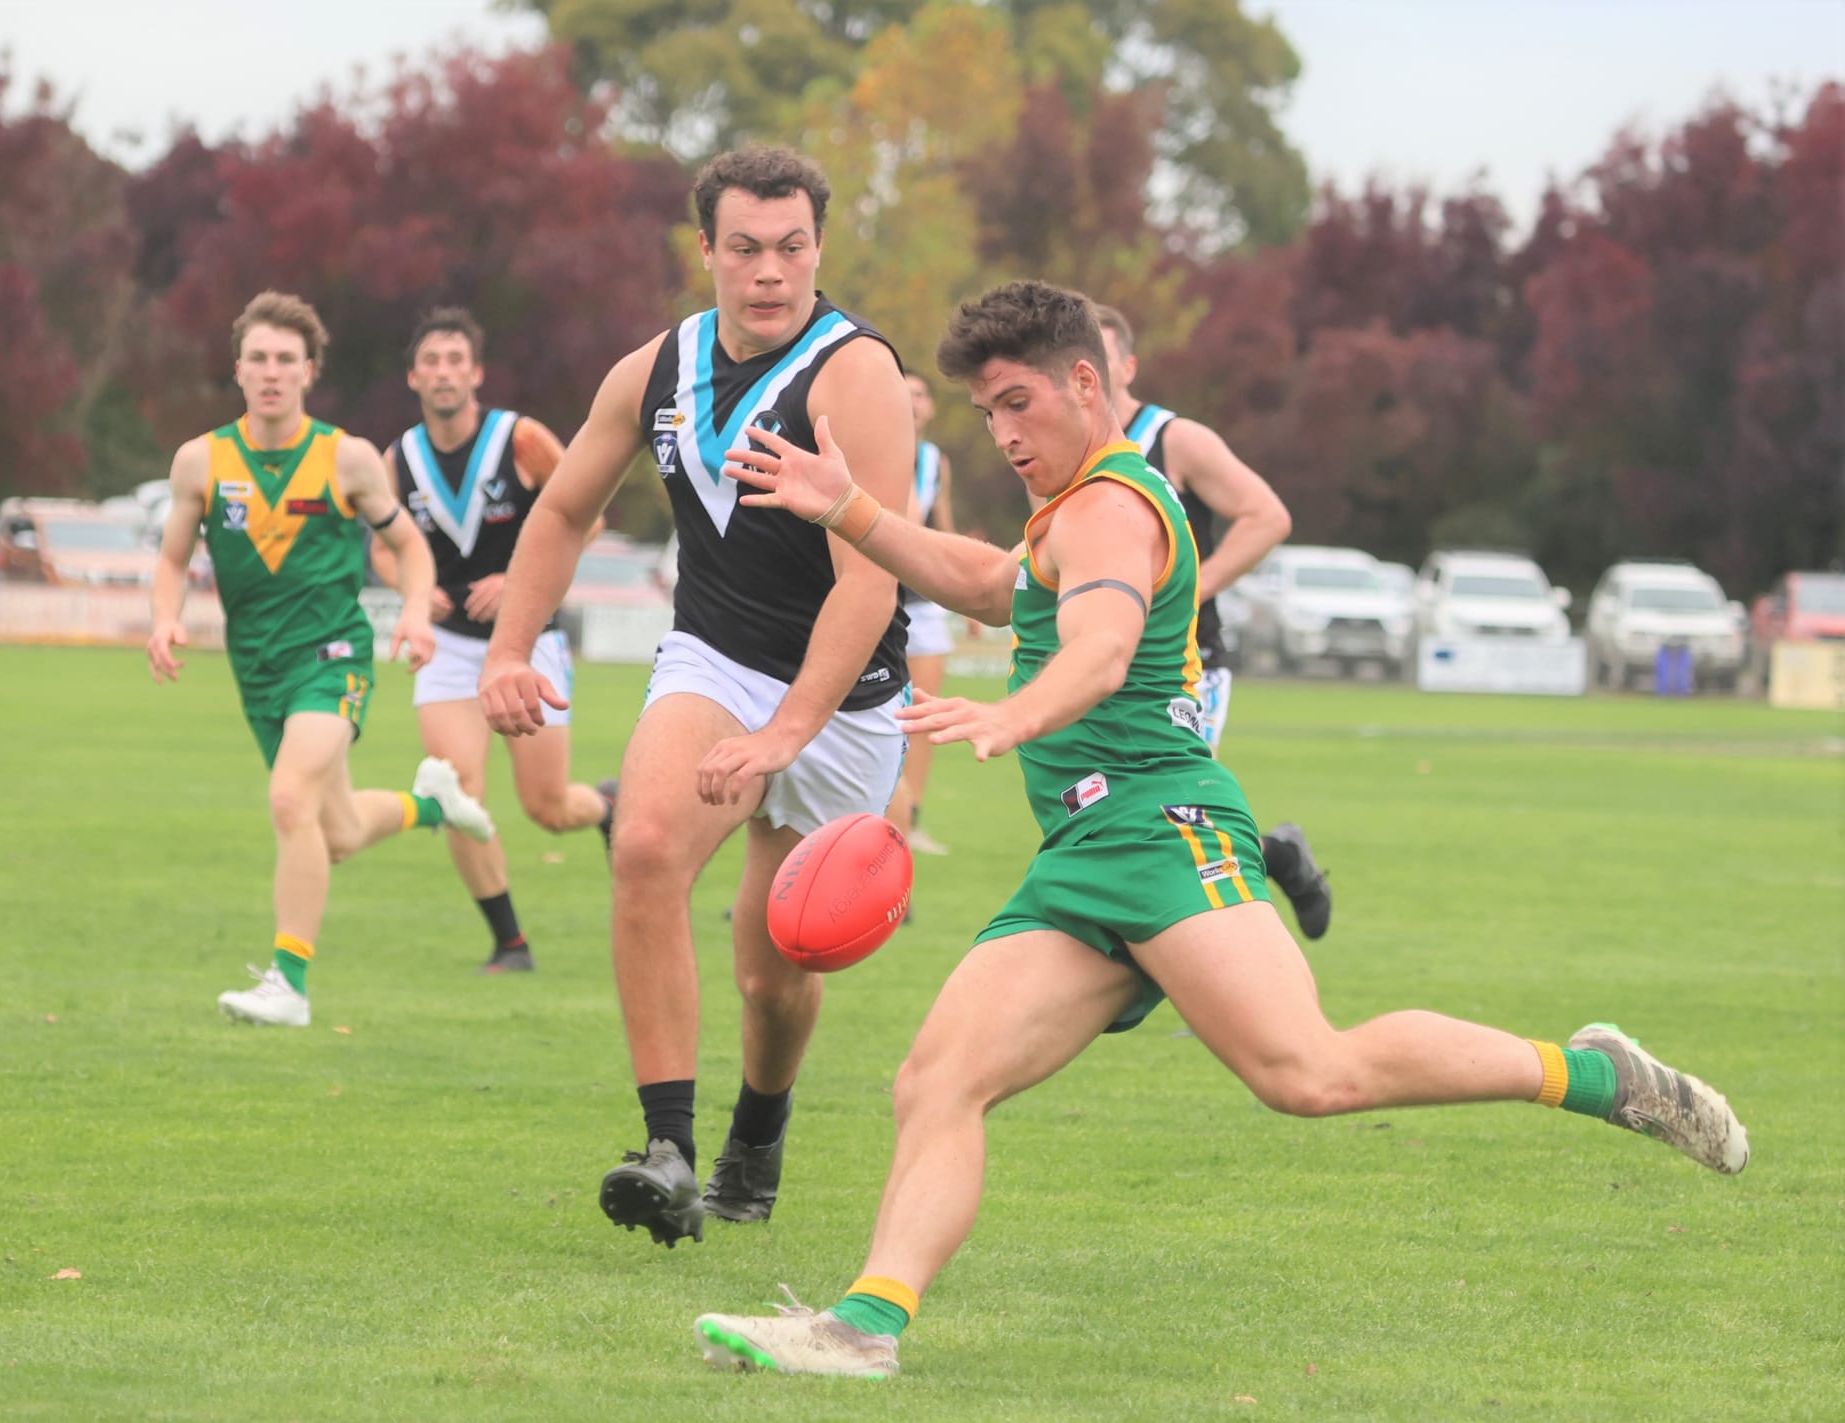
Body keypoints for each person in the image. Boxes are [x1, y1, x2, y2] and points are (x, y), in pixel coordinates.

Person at [691, 280, 1748, 1378]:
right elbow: (997, 584)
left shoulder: (1112, 504)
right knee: (936, 1080)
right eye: (985, 413)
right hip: (1083, 859)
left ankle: (1593, 1074)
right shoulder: (1065, 506)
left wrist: (1012, 710)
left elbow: (1099, 649)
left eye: (1016, 403)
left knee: (1307, 1074)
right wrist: (849, 508)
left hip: (1160, 827)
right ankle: (863, 1327)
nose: (1002, 433)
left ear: (1083, 382)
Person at [477, 146, 914, 1246]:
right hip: (715, 661)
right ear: (706, 251)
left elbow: (873, 579)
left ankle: (753, 1138)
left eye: (793, 248)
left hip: (844, 699)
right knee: (645, 844)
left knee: (774, 976)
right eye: (746, 249)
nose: (770, 272)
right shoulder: (652, 369)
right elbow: (564, 509)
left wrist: (787, 734)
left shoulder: (854, 372)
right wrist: (509, 648)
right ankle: (666, 1150)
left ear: (818, 247)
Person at [148, 290, 497, 1028]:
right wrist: (163, 620)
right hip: (258, 670)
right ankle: (435, 803)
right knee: (331, 832)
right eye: (258, 359)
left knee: (287, 800)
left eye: (286, 360)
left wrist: (412, 610)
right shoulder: (200, 461)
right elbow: (173, 558)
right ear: (237, 369)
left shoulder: (348, 458)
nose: (271, 373)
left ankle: (290, 982)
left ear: (309, 371)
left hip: (333, 659)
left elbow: (408, 545)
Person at [369, 307, 614, 975]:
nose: (444, 372)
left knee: (548, 806)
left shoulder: (521, 439)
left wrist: (517, 580)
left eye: (457, 360)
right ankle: (510, 943)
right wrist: (417, 596)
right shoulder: (400, 458)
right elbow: (386, 550)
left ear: (475, 373)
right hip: (447, 648)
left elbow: (587, 517)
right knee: (456, 792)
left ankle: (607, 806)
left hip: (528, 639)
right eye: (432, 362)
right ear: (414, 376)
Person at [1093, 302, 1333, 939]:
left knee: (1182, 809)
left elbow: (1266, 516)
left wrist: (1193, 587)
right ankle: (1265, 865)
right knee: (1118, 806)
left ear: (1127, 365)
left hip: (1185, 660)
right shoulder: (1066, 451)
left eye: (1102, 355)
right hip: (1103, 658)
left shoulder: (1175, 438)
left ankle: (1226, 943)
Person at [885, 372, 958, 859]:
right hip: (876, 600)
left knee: (923, 717)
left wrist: (963, 590)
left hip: (922, 605)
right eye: (903, 394)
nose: (913, 403)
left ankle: (910, 823)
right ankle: (870, 821)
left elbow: (941, 527)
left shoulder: (935, 462)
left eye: (920, 394)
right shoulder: (870, 444)